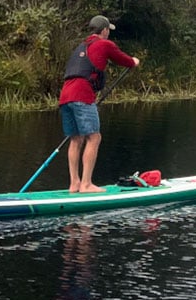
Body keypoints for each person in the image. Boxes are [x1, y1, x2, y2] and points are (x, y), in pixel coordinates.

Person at [58, 15, 140, 193]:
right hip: (82, 95)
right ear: (103, 30)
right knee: (94, 138)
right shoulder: (104, 44)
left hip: (65, 96)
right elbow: (124, 60)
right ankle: (86, 184)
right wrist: (133, 61)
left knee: (76, 139)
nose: (108, 33)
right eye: (108, 30)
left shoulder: (80, 47)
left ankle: (74, 184)